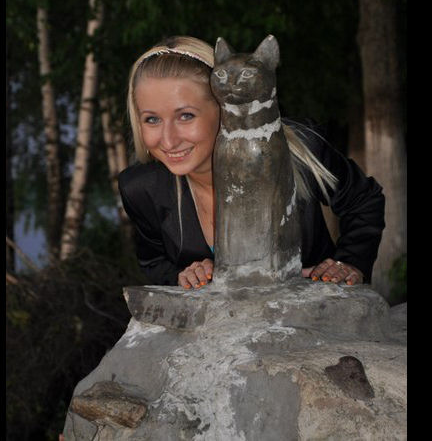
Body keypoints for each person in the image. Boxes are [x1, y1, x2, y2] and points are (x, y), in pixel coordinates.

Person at [118, 36, 385, 290]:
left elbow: (364, 201)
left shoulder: (299, 149)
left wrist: (348, 263)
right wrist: (185, 277)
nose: (168, 139)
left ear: (224, 105)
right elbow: (154, 263)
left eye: (185, 116)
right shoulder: (142, 189)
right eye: (152, 119)